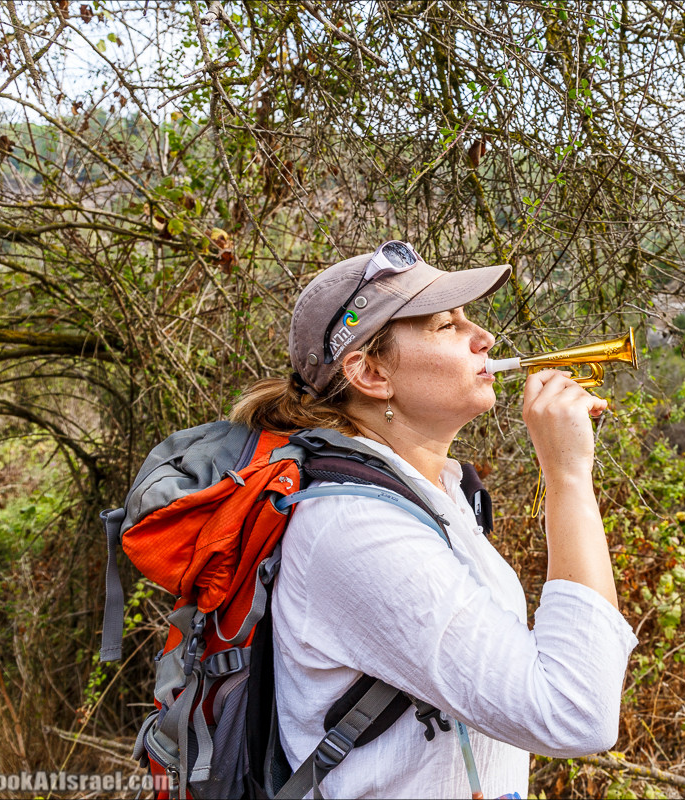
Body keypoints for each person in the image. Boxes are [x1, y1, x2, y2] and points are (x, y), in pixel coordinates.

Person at [228, 241, 638, 799]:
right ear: (371, 373)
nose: (484, 339)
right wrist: (567, 476)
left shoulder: (433, 494)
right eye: (447, 325)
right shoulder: (354, 528)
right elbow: (576, 711)